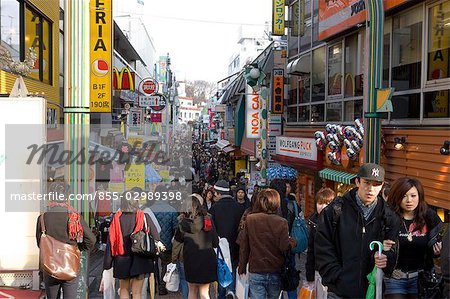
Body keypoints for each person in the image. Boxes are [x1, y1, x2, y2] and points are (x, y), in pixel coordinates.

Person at [315, 163, 400, 298]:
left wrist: (386, 258)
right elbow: (323, 248)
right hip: (339, 291)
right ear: (357, 182)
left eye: (376, 184)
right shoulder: (335, 211)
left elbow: (392, 252)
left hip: (371, 291)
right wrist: (337, 276)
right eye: (366, 183)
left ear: (382, 185)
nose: (370, 189)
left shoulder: (389, 217)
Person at [382, 177, 442, 298]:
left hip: (421, 279)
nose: (409, 200)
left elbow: (438, 243)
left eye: (413, 196)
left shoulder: (429, 218)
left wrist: (437, 252)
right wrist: (381, 246)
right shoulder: (388, 218)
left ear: (419, 196)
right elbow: (373, 243)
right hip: (394, 278)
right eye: (404, 196)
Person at [36, 186, 96, 299]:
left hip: (50, 265)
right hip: (70, 264)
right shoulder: (74, 217)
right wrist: (80, 248)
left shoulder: (43, 218)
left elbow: (39, 242)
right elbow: (91, 239)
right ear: (67, 198)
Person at [238, 189, 296, 299]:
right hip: (275, 270)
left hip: (256, 269)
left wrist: (242, 266)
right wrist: (293, 241)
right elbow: (284, 246)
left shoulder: (251, 219)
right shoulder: (281, 222)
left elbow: (244, 246)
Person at [103, 191, 161, 299]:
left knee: (124, 290)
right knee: (137, 293)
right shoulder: (144, 216)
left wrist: (107, 264)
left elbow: (110, 241)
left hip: (121, 259)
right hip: (141, 259)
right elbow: (156, 236)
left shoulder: (116, 218)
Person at [174, 193, 219, 299]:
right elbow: (215, 242)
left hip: (190, 260)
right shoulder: (208, 220)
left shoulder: (183, 223)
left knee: (192, 290)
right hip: (207, 259)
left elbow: (178, 239)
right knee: (204, 292)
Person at [210, 179, 245, 299]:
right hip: (235, 247)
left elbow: (211, 231)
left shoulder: (214, 209)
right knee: (233, 270)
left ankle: (222, 294)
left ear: (219, 193)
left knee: (222, 272)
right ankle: (231, 291)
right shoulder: (238, 208)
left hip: (220, 248)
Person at [304, 187, 335, 297]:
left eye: (327, 203)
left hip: (334, 272)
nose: (323, 207)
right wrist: (309, 275)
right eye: (320, 203)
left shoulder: (339, 222)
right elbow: (311, 249)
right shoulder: (314, 222)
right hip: (319, 270)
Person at [149, 185, 178, 296]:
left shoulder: (149, 210)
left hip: (152, 243)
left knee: (153, 264)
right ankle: (162, 286)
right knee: (165, 265)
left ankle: (152, 286)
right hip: (166, 244)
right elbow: (175, 228)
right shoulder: (172, 210)